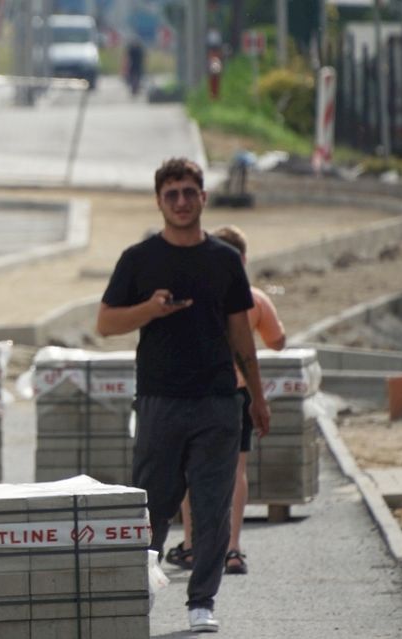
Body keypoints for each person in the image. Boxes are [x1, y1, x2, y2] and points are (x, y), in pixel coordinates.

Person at [96, 158, 270, 634]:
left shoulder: (224, 261)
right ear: (159, 201)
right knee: (153, 503)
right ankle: (144, 589)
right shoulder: (139, 259)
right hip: (160, 399)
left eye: (189, 192)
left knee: (213, 504)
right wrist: (149, 310)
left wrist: (256, 395)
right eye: (171, 193)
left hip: (218, 399)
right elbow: (105, 322)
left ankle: (202, 601)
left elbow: (241, 334)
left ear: (203, 198)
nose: (180, 201)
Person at [164, 225, 286, 576]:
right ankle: (232, 549)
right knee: (236, 470)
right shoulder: (255, 299)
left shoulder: (196, 292)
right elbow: (277, 342)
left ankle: (191, 544)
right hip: (238, 391)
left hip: (196, 389)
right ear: (244, 259)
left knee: (190, 469)